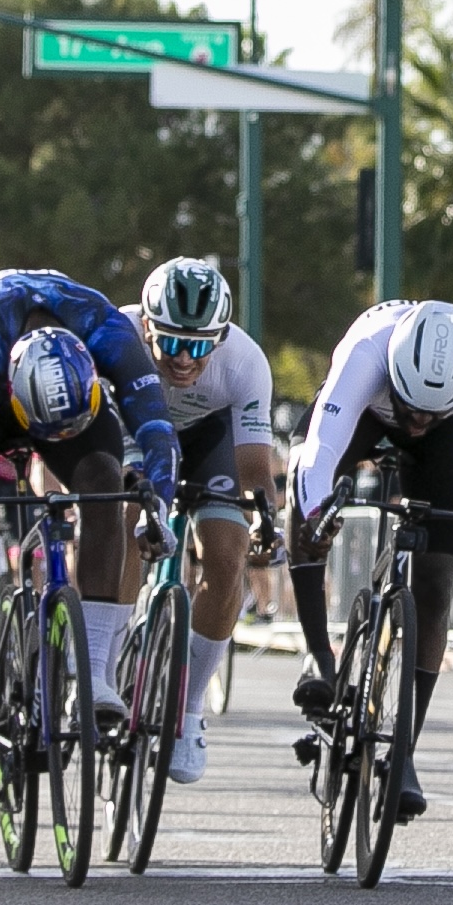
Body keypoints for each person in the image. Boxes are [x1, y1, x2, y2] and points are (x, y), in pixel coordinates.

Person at [0, 269, 178, 799]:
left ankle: (90, 671)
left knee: (108, 486)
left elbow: (156, 428)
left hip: (69, 398)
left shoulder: (109, 333)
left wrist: (160, 507)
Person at [286, 300, 453, 820]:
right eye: (413, 407)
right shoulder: (366, 354)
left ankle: (404, 753)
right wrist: (319, 513)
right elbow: (320, 451)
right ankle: (317, 652)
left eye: (431, 410)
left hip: (447, 443)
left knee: (437, 585)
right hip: (364, 414)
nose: (418, 421)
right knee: (301, 500)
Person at [119, 258, 281, 783]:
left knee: (228, 556)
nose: (185, 359)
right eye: (171, 342)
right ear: (146, 326)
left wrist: (264, 519)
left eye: (200, 345)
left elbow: (255, 466)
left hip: (209, 441)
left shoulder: (245, 362)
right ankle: (101, 662)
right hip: (135, 430)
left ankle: (188, 711)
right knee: (121, 519)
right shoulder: (116, 338)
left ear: (221, 336)